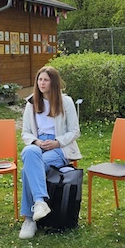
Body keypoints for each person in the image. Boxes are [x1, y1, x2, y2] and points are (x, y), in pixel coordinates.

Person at [19, 66, 82, 239]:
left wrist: (57, 142)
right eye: (39, 79)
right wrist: (37, 142)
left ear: (53, 82)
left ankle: (29, 219)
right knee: (30, 151)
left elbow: (75, 131)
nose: (42, 83)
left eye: (45, 79)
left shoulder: (66, 101)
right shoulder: (31, 103)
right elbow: (25, 133)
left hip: (60, 147)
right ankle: (40, 202)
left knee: (27, 171)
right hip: (38, 145)